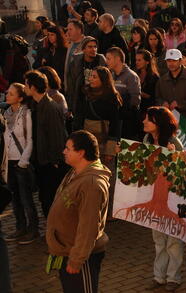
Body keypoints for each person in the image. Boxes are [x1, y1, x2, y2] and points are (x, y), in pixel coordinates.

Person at [46, 130, 110, 293]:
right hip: (68, 252)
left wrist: (77, 259)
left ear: (81, 153)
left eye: (68, 148)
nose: (64, 151)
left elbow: (88, 226)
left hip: (81, 259)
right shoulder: (76, 172)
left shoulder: (91, 184)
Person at [141, 107, 184, 292]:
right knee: (158, 239)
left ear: (158, 123)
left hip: (172, 198)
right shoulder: (146, 140)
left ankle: (173, 277)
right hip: (155, 197)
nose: (144, 121)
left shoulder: (174, 142)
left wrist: (175, 156)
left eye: (148, 119)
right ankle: (159, 277)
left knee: (174, 241)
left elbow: (184, 170)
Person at [24, 70, 67, 217]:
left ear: (33, 87)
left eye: (26, 84)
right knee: (44, 197)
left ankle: (56, 231)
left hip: (50, 163)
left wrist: (55, 160)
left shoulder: (50, 107)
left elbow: (57, 136)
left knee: (51, 197)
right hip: (40, 160)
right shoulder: (35, 105)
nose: (24, 87)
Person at [3, 83, 38, 245]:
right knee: (14, 198)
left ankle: (33, 230)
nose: (7, 95)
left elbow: (29, 140)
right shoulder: (6, 113)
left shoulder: (26, 114)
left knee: (26, 198)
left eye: (10, 94)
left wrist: (23, 162)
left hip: (21, 162)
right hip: (8, 162)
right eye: (7, 93)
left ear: (20, 98)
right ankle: (20, 227)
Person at [82, 66, 122, 163]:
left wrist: (110, 150)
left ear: (103, 80)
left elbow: (115, 124)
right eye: (91, 76)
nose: (90, 79)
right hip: (87, 141)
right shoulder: (86, 93)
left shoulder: (112, 98)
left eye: (94, 77)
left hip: (103, 142)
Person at [68, 37, 107, 131]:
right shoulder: (76, 62)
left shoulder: (101, 60)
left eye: (95, 47)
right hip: (80, 101)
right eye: (90, 47)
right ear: (83, 49)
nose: (93, 49)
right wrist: (71, 105)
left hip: (97, 101)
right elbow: (71, 84)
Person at [105, 47, 141, 140]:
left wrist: (124, 111)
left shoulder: (131, 76)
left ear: (118, 59)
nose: (106, 61)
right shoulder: (110, 75)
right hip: (114, 120)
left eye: (109, 58)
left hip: (127, 123)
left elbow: (135, 101)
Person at [64, 20, 85, 93]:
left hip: (81, 90)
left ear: (79, 30)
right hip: (70, 89)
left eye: (70, 29)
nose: (68, 32)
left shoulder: (87, 44)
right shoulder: (71, 44)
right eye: (67, 29)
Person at [136, 49, 158, 116]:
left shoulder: (154, 77)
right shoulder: (134, 74)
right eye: (136, 60)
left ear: (147, 62)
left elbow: (156, 98)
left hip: (147, 111)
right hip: (135, 110)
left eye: (139, 60)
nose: (137, 62)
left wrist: (142, 94)